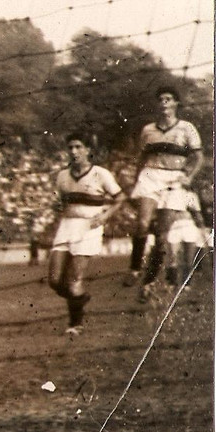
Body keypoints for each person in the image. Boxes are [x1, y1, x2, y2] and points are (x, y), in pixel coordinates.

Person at [125, 87, 203, 295]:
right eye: (160, 99)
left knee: (163, 237)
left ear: (176, 103)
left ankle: (148, 281)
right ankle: (134, 268)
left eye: (168, 99)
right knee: (142, 222)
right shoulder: (148, 130)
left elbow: (197, 157)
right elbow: (141, 158)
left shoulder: (186, 128)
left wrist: (189, 175)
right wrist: (136, 182)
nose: (164, 103)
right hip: (151, 175)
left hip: (174, 177)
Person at [47, 133, 126, 335]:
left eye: (78, 147)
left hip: (89, 227)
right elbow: (58, 201)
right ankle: (80, 298)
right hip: (66, 226)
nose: (74, 152)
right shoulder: (62, 176)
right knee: (55, 281)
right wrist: (56, 206)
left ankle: (76, 324)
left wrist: (105, 216)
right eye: (71, 147)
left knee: (74, 279)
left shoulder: (101, 174)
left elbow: (120, 198)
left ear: (88, 150)